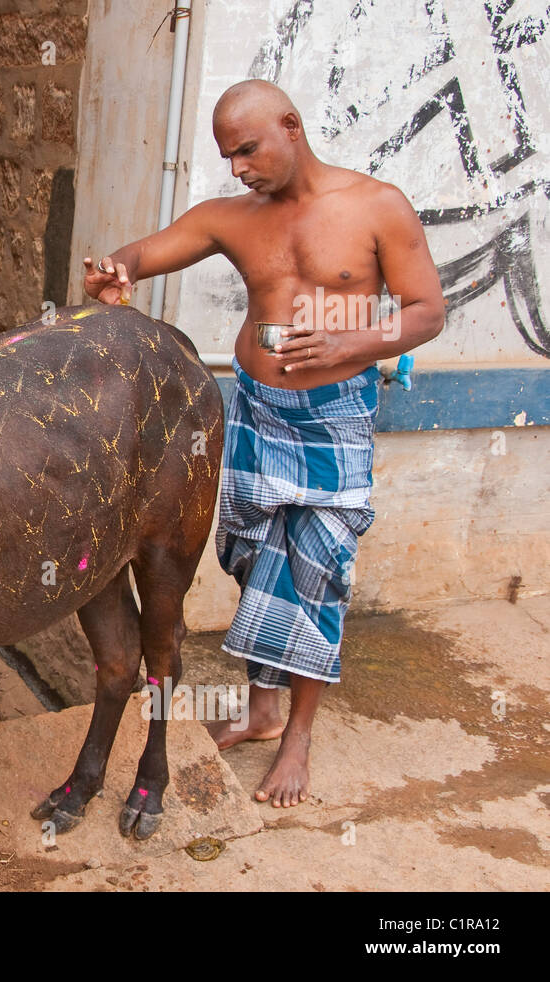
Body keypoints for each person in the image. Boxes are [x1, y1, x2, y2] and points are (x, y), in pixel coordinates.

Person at [82, 79, 444, 808]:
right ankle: (261, 708)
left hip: (334, 416)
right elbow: (145, 253)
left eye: (248, 149)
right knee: (256, 557)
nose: (240, 167)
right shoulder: (231, 219)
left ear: (291, 125)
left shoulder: (377, 207)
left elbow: (428, 310)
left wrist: (354, 337)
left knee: (317, 572)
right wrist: (118, 269)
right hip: (253, 411)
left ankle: (298, 737)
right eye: (229, 156)